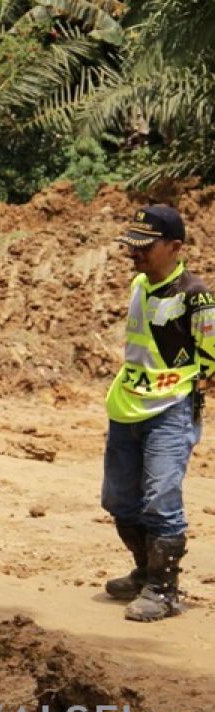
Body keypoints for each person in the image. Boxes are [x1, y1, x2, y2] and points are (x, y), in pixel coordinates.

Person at [102, 205, 214, 622]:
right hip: (126, 406)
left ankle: (164, 591)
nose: (136, 254)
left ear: (175, 247)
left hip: (170, 410)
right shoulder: (139, 285)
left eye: (145, 247)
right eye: (133, 246)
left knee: (162, 500)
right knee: (118, 499)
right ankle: (144, 571)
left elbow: (212, 354)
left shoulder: (195, 295)